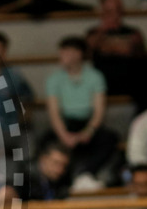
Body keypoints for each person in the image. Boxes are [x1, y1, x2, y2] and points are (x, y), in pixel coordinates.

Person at [44, 36, 119, 189]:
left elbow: (99, 110)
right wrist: (64, 135)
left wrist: (88, 132)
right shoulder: (54, 79)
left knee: (110, 139)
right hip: (65, 125)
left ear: (77, 54)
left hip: (88, 124)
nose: (61, 56)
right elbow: (54, 112)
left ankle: (85, 173)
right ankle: (59, 182)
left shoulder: (95, 76)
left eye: (65, 52)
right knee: (46, 143)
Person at [85, 0, 147, 113]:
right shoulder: (94, 33)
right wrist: (103, 32)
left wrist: (111, 46)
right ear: (103, 11)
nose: (115, 15)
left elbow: (140, 54)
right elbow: (87, 52)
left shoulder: (133, 32)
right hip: (105, 80)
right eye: (110, 11)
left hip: (130, 79)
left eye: (118, 10)